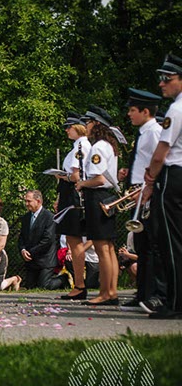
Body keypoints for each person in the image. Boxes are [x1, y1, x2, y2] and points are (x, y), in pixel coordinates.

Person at [142, 53, 182, 318]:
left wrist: (150, 179)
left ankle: (175, 302)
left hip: (173, 176)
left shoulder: (176, 109)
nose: (161, 83)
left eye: (167, 78)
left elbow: (161, 153)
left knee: (171, 242)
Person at [117, 89, 164, 312]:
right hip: (137, 192)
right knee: (142, 246)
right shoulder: (143, 133)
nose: (129, 114)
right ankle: (142, 293)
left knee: (151, 246)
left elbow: (160, 162)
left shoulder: (154, 132)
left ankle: (154, 294)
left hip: (147, 193)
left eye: (133, 110)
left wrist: (147, 189)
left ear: (145, 111)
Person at [76, 106, 122, 306]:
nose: (85, 126)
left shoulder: (98, 147)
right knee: (109, 248)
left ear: (96, 124)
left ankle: (106, 292)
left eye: (88, 122)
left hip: (98, 198)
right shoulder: (110, 145)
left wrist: (82, 183)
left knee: (102, 249)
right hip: (107, 197)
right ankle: (112, 291)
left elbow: (99, 179)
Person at [54, 113, 92, 300]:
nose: (66, 130)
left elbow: (76, 176)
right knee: (72, 239)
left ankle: (79, 284)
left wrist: (62, 176)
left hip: (73, 195)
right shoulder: (79, 146)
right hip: (69, 194)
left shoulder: (81, 146)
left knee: (74, 239)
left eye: (69, 127)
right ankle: (79, 283)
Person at [19, 190, 67, 289]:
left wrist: (30, 252)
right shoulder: (26, 218)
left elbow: (48, 240)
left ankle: (64, 279)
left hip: (45, 260)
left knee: (44, 286)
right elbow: (22, 237)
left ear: (38, 201)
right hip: (31, 261)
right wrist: (23, 250)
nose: (26, 204)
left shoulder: (49, 217)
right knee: (30, 287)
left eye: (29, 201)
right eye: (26, 201)